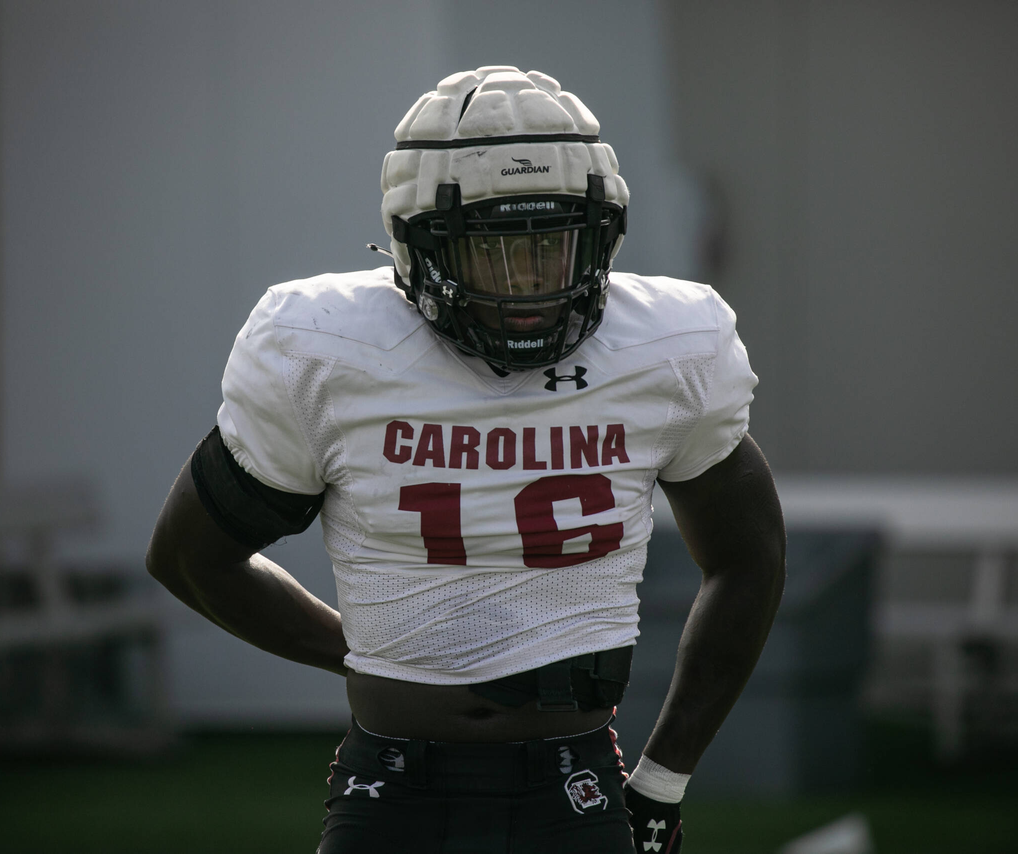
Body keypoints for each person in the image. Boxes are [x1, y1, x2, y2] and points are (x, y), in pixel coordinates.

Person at [146, 66, 785, 853]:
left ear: (602, 237)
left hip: (570, 780)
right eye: (494, 254)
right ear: (420, 249)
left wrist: (663, 780)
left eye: (551, 247)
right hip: (394, 781)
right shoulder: (328, 352)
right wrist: (365, 654)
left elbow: (750, 559)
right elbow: (188, 557)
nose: (528, 291)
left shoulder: (668, 351)